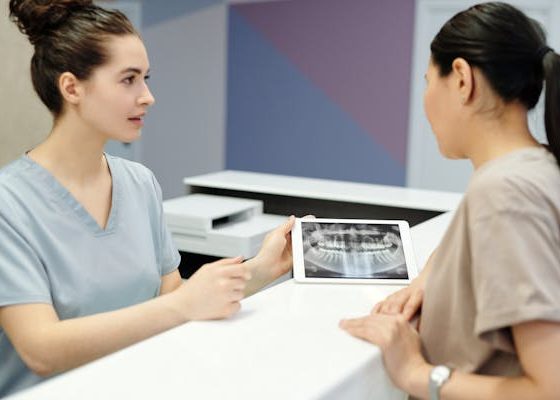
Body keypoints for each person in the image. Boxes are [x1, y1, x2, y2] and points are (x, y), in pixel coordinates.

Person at [0, 0, 294, 396]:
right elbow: (41, 349)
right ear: (71, 87)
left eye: (146, 78)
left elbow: (171, 296)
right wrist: (182, 306)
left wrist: (262, 268)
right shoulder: (10, 203)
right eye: (129, 80)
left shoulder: (139, 183)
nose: (148, 96)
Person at [340, 2, 560, 399]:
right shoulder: (537, 165)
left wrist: (415, 373)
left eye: (429, 80)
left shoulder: (505, 192)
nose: (426, 100)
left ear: (461, 78)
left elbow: (549, 389)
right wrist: (429, 281)